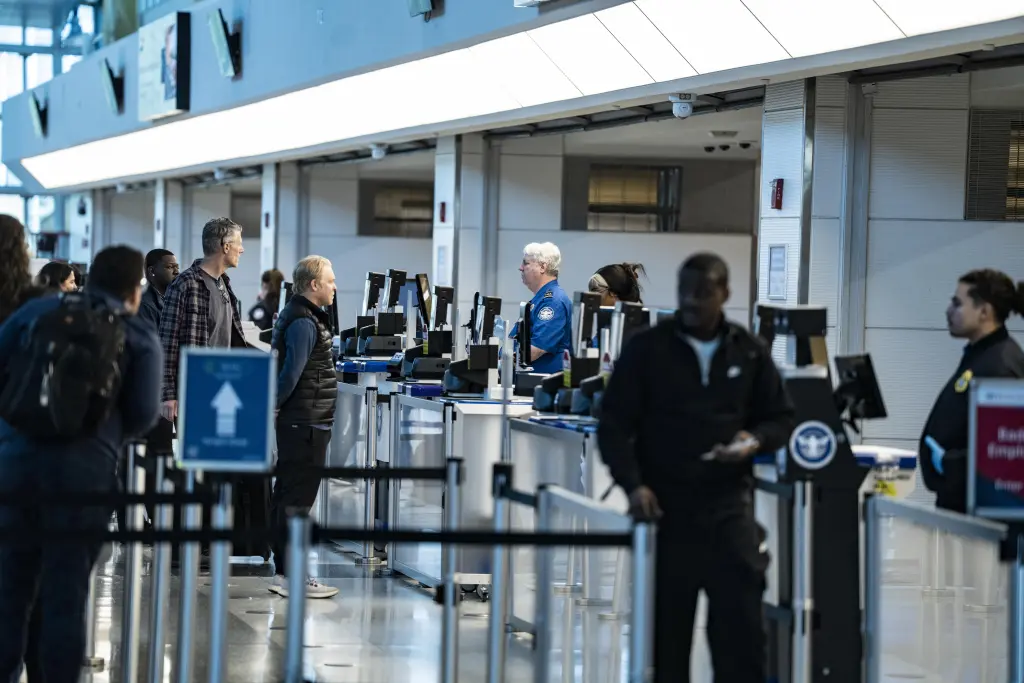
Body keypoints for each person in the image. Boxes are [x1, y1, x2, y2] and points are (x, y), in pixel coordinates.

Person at [597, 252, 795, 683]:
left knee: (741, 644)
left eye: (703, 293)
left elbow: (780, 419)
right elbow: (612, 425)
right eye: (685, 291)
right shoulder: (648, 350)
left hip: (728, 511)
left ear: (725, 293)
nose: (691, 301)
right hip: (664, 512)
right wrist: (632, 485)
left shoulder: (748, 350)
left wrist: (752, 441)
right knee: (665, 648)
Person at [0, 245, 161, 683]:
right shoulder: (137, 333)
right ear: (134, 290)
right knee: (65, 597)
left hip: (15, 467)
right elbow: (144, 414)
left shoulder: (37, 313)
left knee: (10, 591)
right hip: (84, 476)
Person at [158, 217, 271, 560]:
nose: (242, 249)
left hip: (221, 392)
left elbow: (235, 340)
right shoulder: (186, 284)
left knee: (216, 471)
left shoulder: (224, 285)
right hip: (193, 392)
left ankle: (210, 540)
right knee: (196, 471)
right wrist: (168, 393)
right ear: (224, 246)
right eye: (238, 243)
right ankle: (187, 542)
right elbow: (166, 342)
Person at [919, 269, 1024, 513]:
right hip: (960, 506)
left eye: (957, 304)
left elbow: (1004, 451)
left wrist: (948, 464)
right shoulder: (981, 355)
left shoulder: (1001, 367)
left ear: (984, 312)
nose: (948, 310)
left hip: (979, 517)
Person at [268, 256, 339, 598]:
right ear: (314, 285)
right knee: (296, 501)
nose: (334, 287)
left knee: (288, 497)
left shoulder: (301, 315)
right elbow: (291, 375)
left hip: (303, 420)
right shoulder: (304, 322)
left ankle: (286, 572)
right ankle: (292, 575)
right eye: (330, 281)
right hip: (305, 422)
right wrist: (275, 404)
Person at [512, 242, 572, 374]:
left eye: (526, 263)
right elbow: (513, 340)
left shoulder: (553, 301)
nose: (520, 268)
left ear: (542, 267)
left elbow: (535, 350)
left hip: (543, 381)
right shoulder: (538, 300)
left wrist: (502, 361)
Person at [139, 248, 179, 330]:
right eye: (169, 267)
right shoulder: (145, 305)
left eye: (177, 267)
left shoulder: (172, 300)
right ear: (152, 271)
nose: (176, 272)